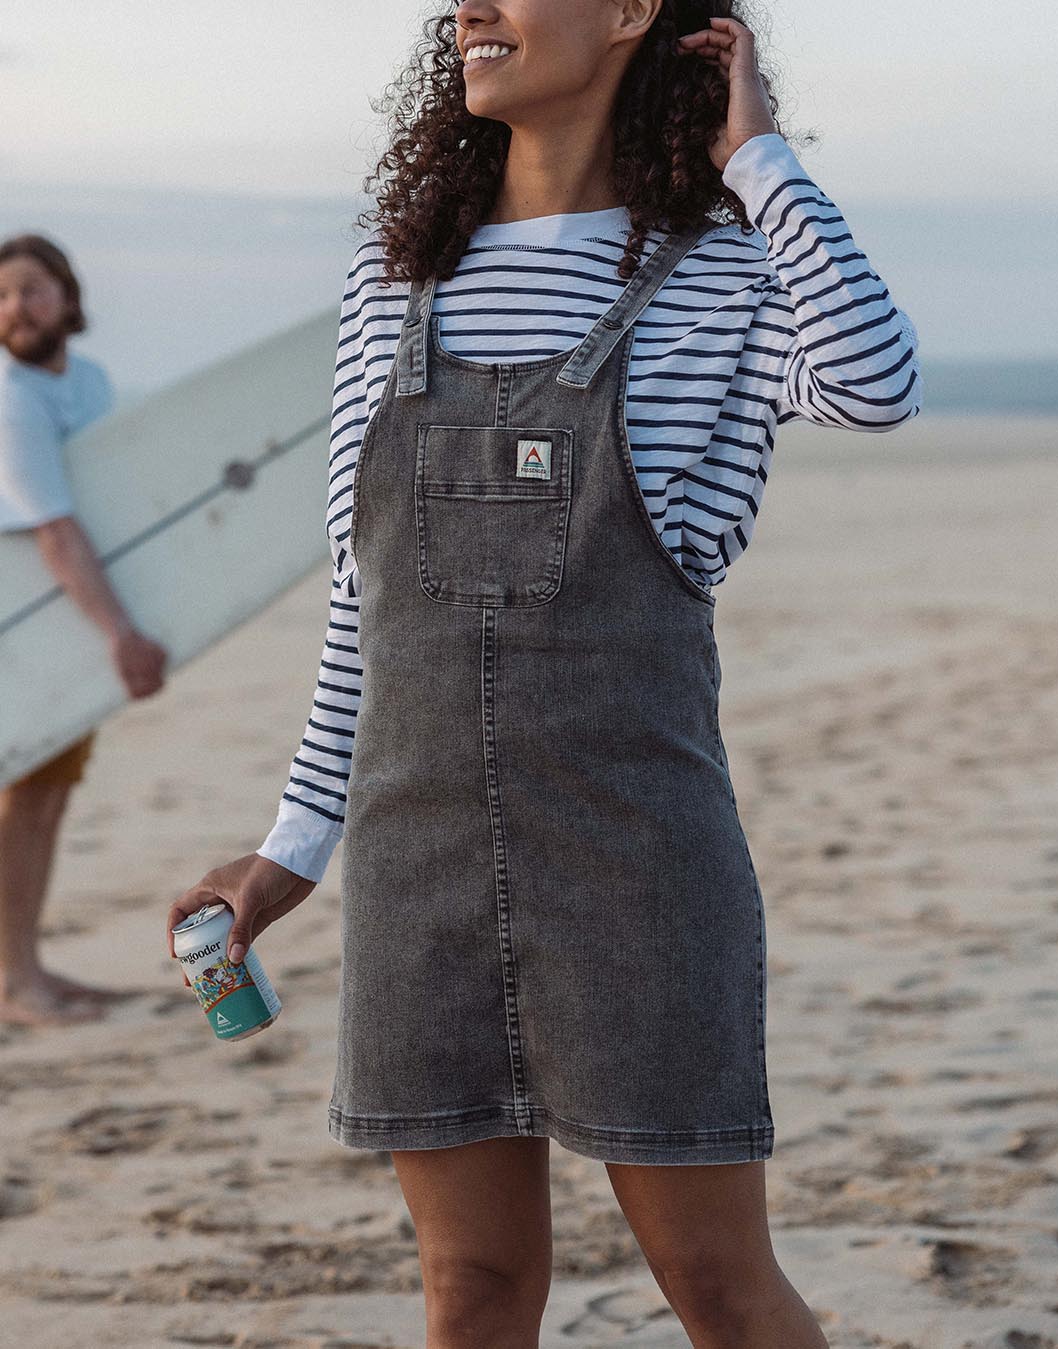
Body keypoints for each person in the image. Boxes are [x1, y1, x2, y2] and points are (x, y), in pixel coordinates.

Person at [168, 2, 923, 1343]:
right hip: (418, 860)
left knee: (717, 1284)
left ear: (632, 11)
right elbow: (366, 601)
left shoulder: (724, 273)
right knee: (473, 1285)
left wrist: (759, 157)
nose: (473, 6)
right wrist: (289, 850)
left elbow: (876, 386)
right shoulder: (392, 275)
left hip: (638, 859)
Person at [0, 234, 168, 1027]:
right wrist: (123, 634)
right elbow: (56, 531)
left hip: (65, 622)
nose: (15, 308)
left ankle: (26, 966)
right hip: (24, 625)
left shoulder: (91, 382)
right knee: (20, 796)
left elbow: (123, 502)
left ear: (67, 296)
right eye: (1, 296)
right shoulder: (11, 394)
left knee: (49, 795)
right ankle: (13, 980)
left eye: (31, 289)